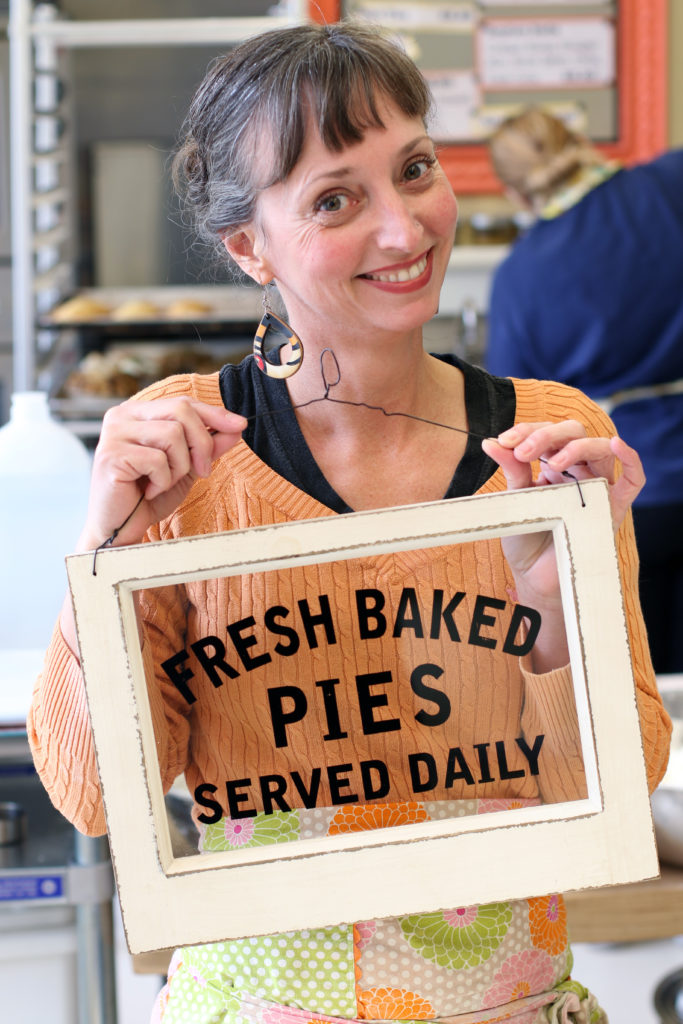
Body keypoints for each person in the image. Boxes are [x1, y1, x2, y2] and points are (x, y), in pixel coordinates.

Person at [28, 24, 670, 1024]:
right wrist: (101, 565)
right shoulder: (187, 465)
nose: (403, 229)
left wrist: (548, 598)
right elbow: (98, 798)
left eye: (412, 169)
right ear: (248, 246)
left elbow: (606, 795)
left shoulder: (547, 441)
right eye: (335, 198)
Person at [485, 106, 683, 674]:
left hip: (632, 487)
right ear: (578, 140)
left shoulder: (523, 277)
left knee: (651, 672)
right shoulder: (671, 183)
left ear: (513, 190)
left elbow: (520, 410)